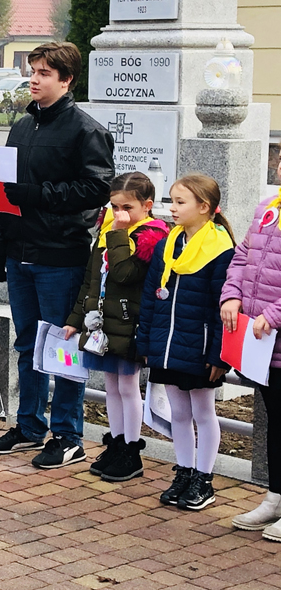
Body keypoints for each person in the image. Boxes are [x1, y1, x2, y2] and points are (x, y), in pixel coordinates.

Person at [0, 42, 115, 468]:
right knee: (27, 343)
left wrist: (38, 195)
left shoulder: (85, 130)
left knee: (62, 345)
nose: (34, 79)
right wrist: (0, 244)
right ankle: (29, 425)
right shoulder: (22, 127)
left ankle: (67, 433)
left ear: (67, 80)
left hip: (60, 254)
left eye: (44, 73)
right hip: (21, 251)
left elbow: (96, 190)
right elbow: (3, 191)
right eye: (33, 71)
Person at [137, 173, 234, 511]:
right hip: (167, 344)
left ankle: (204, 479)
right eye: (171, 201)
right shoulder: (168, 243)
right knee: (178, 410)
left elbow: (224, 306)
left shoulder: (220, 249)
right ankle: (184, 470)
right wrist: (146, 340)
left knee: (203, 412)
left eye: (180, 202)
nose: (172, 209)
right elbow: (151, 296)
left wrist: (219, 354)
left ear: (204, 207)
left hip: (200, 346)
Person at [64, 173, 168, 482]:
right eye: (113, 206)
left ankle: (131, 450)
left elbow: (124, 274)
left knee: (127, 385)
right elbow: (90, 280)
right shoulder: (108, 230)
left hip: (129, 322)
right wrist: (74, 319)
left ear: (146, 206)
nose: (119, 213)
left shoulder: (150, 236)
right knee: (110, 385)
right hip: (103, 323)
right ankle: (117, 441)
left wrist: (120, 233)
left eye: (127, 207)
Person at [222, 159, 281, 538]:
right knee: (275, 420)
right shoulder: (268, 207)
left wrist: (274, 314)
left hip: (272, 328)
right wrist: (232, 296)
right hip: (264, 343)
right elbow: (242, 255)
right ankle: (275, 498)